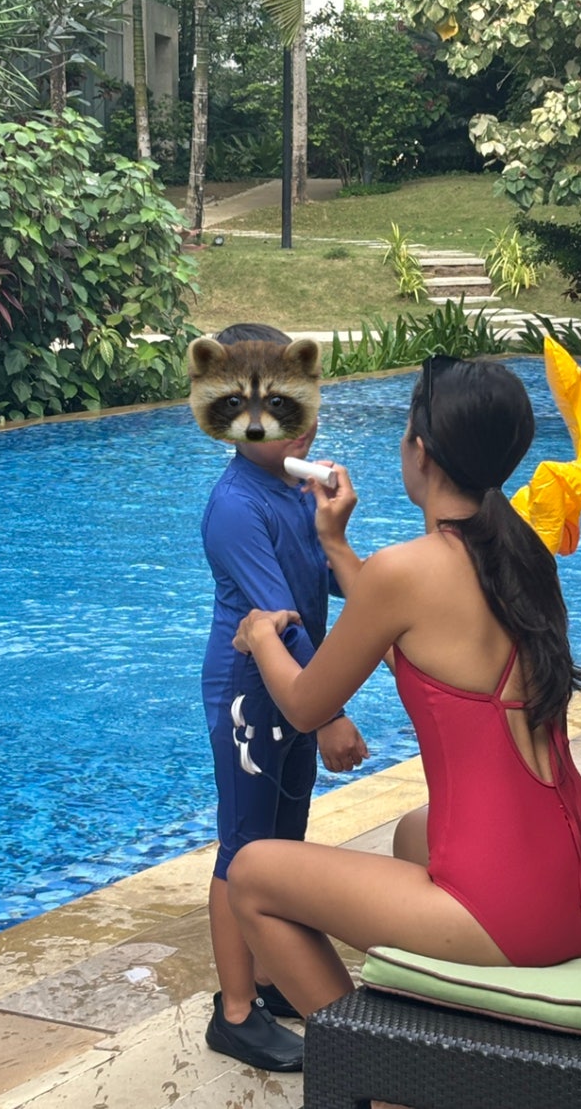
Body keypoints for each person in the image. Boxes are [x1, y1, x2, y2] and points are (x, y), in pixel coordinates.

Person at [225, 355, 581, 1021]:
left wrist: (260, 634)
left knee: (253, 873)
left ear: (420, 450)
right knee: (416, 834)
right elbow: (409, 641)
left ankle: (369, 1064)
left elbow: (303, 706)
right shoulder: (521, 553)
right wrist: (336, 545)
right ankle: (444, 1027)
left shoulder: (405, 571)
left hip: (518, 911)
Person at [198, 322, 369, 1071]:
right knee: (244, 846)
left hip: (296, 688)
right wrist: (329, 714)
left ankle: (270, 974)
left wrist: (338, 529)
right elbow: (280, 618)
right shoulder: (237, 506)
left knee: (285, 838)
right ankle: (235, 1012)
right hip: (252, 691)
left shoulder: (298, 490)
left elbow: (329, 581)